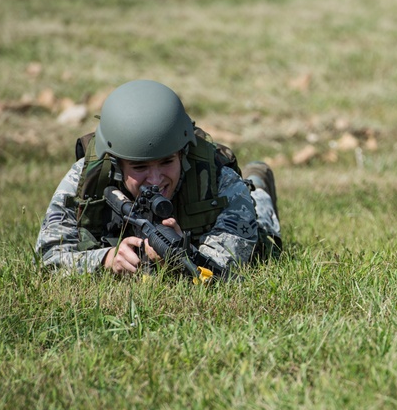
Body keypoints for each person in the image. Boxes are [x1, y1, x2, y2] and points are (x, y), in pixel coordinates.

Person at [35, 79, 281, 279]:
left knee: (264, 236)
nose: (154, 179)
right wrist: (106, 260)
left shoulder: (218, 177)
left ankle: (257, 184)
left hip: (221, 224)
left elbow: (226, 264)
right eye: (139, 167)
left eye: (166, 162)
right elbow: (48, 256)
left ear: (182, 154)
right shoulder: (86, 179)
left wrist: (182, 256)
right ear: (117, 163)